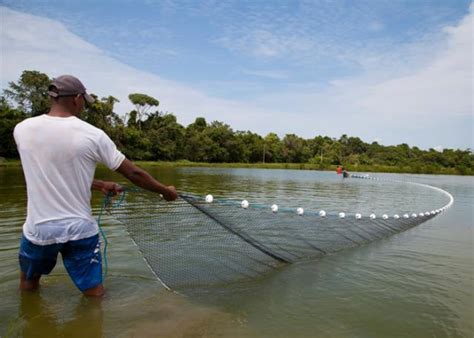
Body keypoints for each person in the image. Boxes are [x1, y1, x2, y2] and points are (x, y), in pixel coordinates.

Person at [14, 74, 177, 297]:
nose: (83, 106)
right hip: (80, 229)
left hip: (40, 229)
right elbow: (134, 173)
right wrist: (165, 191)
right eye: (84, 101)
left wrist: (98, 184)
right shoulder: (93, 135)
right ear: (76, 99)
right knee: (94, 292)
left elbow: (52, 174)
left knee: (29, 282)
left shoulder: (22, 129)